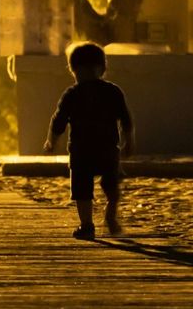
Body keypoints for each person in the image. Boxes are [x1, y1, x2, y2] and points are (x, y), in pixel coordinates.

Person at [43, 42, 135, 240]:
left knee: (82, 190)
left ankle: (87, 225)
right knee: (112, 185)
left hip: (81, 151)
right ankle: (110, 214)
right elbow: (126, 119)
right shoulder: (113, 91)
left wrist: (51, 141)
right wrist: (129, 141)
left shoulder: (72, 94)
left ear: (73, 70)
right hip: (107, 148)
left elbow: (58, 120)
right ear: (102, 68)